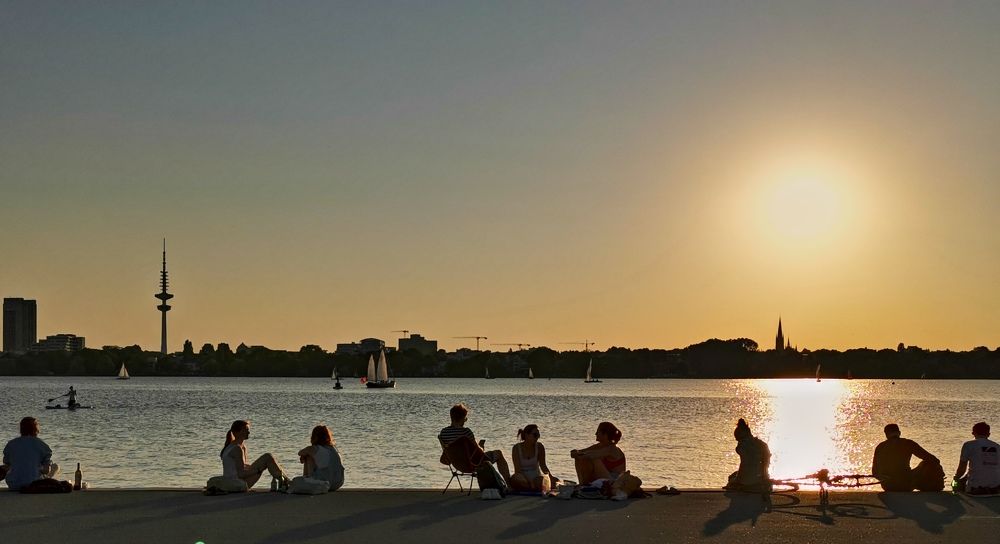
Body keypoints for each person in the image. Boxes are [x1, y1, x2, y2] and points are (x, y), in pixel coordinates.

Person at [438, 404, 511, 485]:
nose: (465, 421)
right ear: (462, 418)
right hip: (473, 464)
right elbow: (478, 451)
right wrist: (481, 447)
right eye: (465, 418)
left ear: (451, 417)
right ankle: (509, 484)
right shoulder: (466, 432)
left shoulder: (444, 432)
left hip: (457, 464)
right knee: (499, 453)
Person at [220, 420, 289, 489]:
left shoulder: (242, 447)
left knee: (267, 458)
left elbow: (241, 466)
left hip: (238, 481)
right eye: (246, 430)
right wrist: (258, 470)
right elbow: (241, 474)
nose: (249, 432)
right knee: (267, 457)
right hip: (235, 484)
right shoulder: (236, 449)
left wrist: (256, 466)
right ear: (238, 432)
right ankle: (287, 482)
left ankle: (285, 481)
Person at [872, 423, 942, 491]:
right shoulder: (908, 443)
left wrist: (885, 477)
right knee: (926, 463)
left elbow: (875, 472)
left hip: (887, 486)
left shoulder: (880, 447)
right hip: (906, 484)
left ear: (886, 434)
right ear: (899, 432)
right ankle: (930, 485)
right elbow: (933, 459)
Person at [3, 417, 60, 491]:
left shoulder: (10, 444)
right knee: (55, 466)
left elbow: (7, 464)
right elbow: (46, 471)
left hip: (14, 485)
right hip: (34, 485)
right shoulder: (42, 445)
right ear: (36, 430)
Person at [724, 418, 771, 493]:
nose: (738, 442)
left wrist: (736, 482)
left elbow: (745, 466)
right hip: (761, 479)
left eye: (737, 439)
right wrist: (765, 478)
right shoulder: (763, 444)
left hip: (747, 482)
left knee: (731, 477)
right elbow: (765, 465)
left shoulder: (742, 447)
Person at [953, 421, 1000, 495]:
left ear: (973, 433)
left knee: (957, 482)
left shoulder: (968, 445)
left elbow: (962, 468)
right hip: (996, 487)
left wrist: (955, 478)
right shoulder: (997, 447)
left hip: (975, 488)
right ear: (988, 434)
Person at [510, 424, 557, 492]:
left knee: (552, 481)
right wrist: (529, 482)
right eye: (535, 435)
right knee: (516, 478)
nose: (537, 437)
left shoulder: (539, 447)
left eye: (538, 435)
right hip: (522, 477)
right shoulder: (516, 448)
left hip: (536, 477)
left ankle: (532, 487)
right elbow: (518, 470)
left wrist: (551, 478)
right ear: (526, 435)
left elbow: (543, 466)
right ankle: (531, 487)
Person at [297, 425, 345, 491]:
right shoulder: (334, 449)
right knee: (310, 455)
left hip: (326, 484)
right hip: (338, 483)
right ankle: (307, 480)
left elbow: (300, 453)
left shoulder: (315, 449)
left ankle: (307, 480)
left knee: (308, 456)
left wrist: (304, 456)